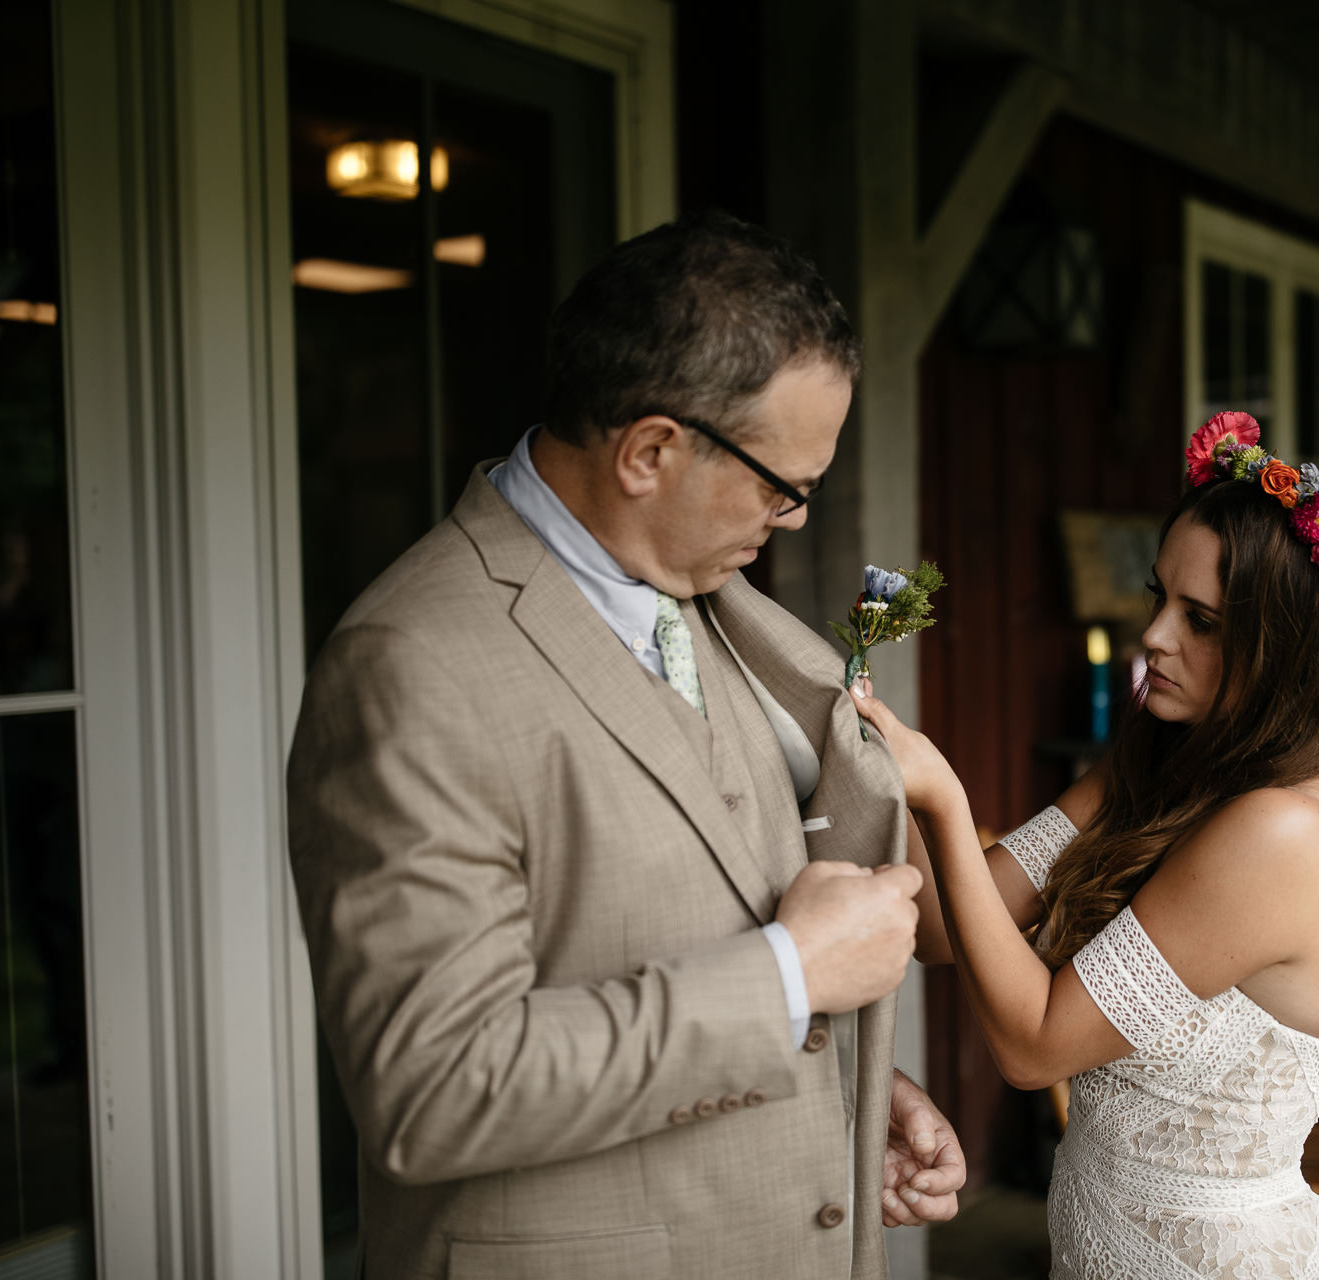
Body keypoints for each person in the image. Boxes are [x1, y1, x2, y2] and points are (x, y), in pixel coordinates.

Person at [287, 211, 963, 1280]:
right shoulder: (413, 664)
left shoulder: (716, 608)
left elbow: (696, 914)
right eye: (783, 486)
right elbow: (434, 1088)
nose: (795, 518)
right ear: (650, 451)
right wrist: (789, 979)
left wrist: (826, 1098)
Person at [852, 412, 1319, 1279]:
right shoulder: (1154, 771)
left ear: (1280, 649)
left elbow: (1033, 1045)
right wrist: (887, 763)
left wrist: (943, 798)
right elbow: (942, 927)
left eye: (1200, 619)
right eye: (1158, 597)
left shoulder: (1284, 834)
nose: (1155, 636)